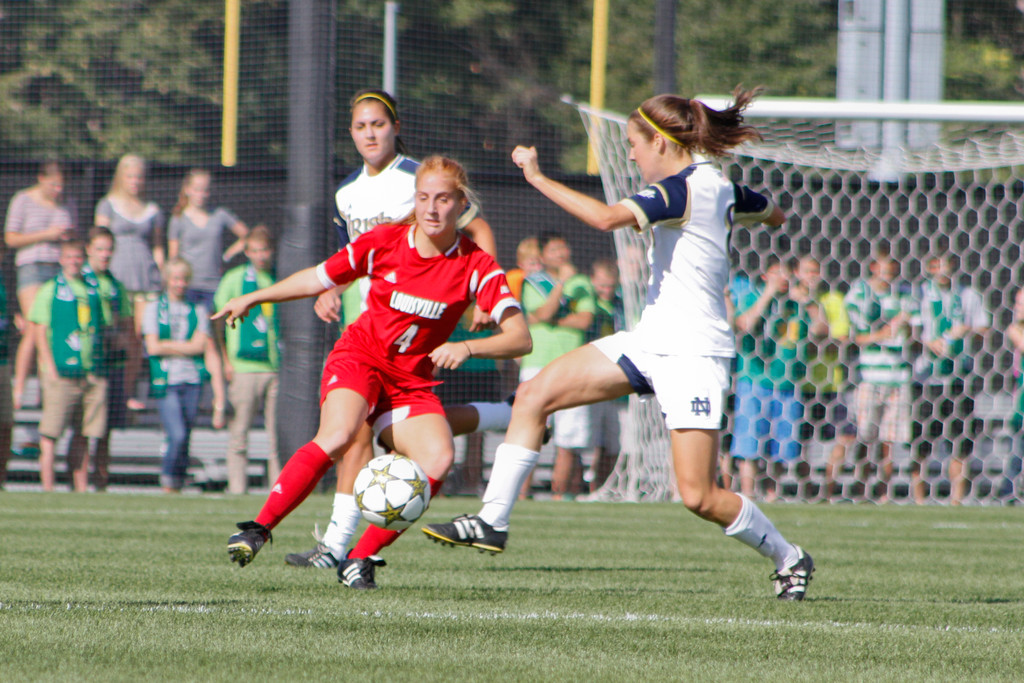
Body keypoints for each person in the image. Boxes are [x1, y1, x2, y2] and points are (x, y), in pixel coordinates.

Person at [423, 88, 815, 601]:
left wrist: (537, 177)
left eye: (634, 144)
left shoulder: (682, 190)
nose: (630, 154)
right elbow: (774, 214)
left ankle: (790, 557)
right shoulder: (717, 187)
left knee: (698, 495)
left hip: (694, 354)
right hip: (649, 340)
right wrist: (746, 218)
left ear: (662, 141)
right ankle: (491, 521)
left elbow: (606, 219)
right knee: (536, 392)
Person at [220, 156, 531, 591]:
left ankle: (360, 558)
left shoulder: (475, 264)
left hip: (410, 381)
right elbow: (317, 278)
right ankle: (258, 528)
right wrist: (256, 298)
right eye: (424, 197)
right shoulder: (384, 241)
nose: (432, 208)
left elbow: (520, 337)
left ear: (461, 204)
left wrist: (466, 346)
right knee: (339, 434)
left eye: (443, 199)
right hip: (360, 358)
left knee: (439, 459)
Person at [285, 88, 504, 569]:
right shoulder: (346, 191)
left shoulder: (416, 179)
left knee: (386, 431)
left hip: (416, 320)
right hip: (368, 324)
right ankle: (339, 547)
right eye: (361, 126)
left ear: (396, 127)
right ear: (351, 133)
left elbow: (478, 231)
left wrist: (482, 292)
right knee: (358, 435)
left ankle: (339, 547)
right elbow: (350, 258)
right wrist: (332, 290)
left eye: (378, 124)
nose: (370, 133)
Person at [29, 240, 109, 492]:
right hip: (61, 372)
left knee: (85, 433)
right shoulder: (50, 289)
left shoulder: (93, 288)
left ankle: (80, 487)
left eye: (78, 257)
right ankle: (48, 487)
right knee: (51, 433)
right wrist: (49, 367)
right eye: (69, 257)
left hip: (90, 371)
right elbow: (39, 332)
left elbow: (104, 324)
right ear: (61, 260)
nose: (74, 261)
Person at [521, 233, 596, 499]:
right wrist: (561, 283)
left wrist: (552, 321)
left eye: (564, 247)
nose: (562, 253)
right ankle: (521, 494)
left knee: (570, 436)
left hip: (573, 364)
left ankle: (558, 496)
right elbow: (542, 313)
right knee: (531, 429)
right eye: (554, 249)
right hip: (538, 363)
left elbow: (584, 320)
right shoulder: (533, 282)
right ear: (542, 256)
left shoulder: (583, 283)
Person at [840, 244, 917, 503]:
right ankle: (860, 487)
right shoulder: (859, 293)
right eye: (886, 266)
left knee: (890, 439)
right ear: (874, 267)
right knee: (865, 436)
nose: (891, 272)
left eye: (894, 267)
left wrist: (908, 328)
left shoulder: (905, 294)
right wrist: (883, 334)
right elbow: (854, 336)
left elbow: (916, 332)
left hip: (899, 376)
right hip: (870, 376)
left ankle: (884, 492)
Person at [911, 252, 989, 505]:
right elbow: (908, 331)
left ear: (952, 266)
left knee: (960, 440)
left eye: (944, 264)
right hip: (926, 379)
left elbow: (983, 329)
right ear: (928, 267)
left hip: (959, 378)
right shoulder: (919, 294)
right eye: (934, 265)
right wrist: (927, 341)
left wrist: (967, 330)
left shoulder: (968, 295)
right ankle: (919, 500)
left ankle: (956, 500)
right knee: (921, 442)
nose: (940, 270)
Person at [728, 258, 807, 502]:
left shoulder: (796, 304)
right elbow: (744, 325)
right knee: (749, 445)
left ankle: (774, 494)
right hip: (754, 380)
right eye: (776, 273)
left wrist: (810, 302)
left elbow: (822, 332)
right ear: (764, 276)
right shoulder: (753, 296)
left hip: (787, 383)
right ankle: (748, 495)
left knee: (782, 448)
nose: (782, 278)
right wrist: (768, 294)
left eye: (786, 273)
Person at [213, 226, 281, 494]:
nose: (261, 256)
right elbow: (217, 321)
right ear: (247, 252)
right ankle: (237, 489)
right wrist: (225, 360)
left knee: (276, 435)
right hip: (242, 368)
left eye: (265, 250)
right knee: (239, 433)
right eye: (255, 250)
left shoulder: (279, 278)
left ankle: (278, 490)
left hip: (274, 366)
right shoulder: (234, 278)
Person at [4, 161, 77, 410]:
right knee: (35, 326)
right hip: (31, 267)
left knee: (53, 329)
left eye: (62, 185)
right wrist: (47, 234)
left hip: (59, 270)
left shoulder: (68, 202)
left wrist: (66, 238)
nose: (58, 190)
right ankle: (19, 388)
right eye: (54, 184)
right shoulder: (22, 200)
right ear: (41, 179)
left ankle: (47, 389)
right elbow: (11, 238)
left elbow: (73, 239)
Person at [94, 154, 165, 412]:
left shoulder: (153, 210)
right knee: (117, 336)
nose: (135, 181)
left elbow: (158, 246)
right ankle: (110, 390)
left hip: (146, 281)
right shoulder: (107, 205)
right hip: (117, 281)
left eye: (139, 177)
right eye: (130, 176)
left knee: (137, 338)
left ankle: (128, 391)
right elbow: (99, 238)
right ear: (121, 177)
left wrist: (162, 272)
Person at [66, 227, 134, 491]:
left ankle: (100, 483)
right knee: (82, 429)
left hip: (111, 364)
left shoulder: (115, 285)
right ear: (89, 251)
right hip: (85, 364)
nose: (105, 255)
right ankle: (78, 483)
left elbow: (126, 325)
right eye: (100, 249)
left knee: (105, 430)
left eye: (109, 249)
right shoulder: (79, 281)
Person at [142, 258, 212, 493]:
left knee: (187, 434)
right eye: (175, 279)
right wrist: (185, 346)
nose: (180, 284)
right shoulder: (153, 308)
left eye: (184, 279)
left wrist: (168, 345)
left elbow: (201, 346)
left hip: (192, 379)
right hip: (166, 380)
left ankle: (179, 481)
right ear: (167, 280)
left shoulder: (198, 308)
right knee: (177, 434)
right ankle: (168, 479)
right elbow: (152, 348)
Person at [790, 255, 856, 502]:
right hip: (800, 382)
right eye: (807, 270)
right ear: (797, 272)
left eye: (816, 271)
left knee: (847, 435)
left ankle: (827, 489)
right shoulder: (788, 300)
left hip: (830, 382)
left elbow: (837, 340)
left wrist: (812, 307)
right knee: (801, 444)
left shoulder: (833, 300)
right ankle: (806, 490)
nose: (812, 276)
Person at [168, 169, 250, 311]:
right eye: (197, 190)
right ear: (188, 190)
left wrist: (227, 254)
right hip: (187, 286)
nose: (201, 195)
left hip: (214, 285)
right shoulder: (178, 218)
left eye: (205, 190)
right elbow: (173, 257)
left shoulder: (220, 214)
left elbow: (248, 236)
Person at [585, 258, 626, 493]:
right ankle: (590, 485)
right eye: (601, 285)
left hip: (618, 378)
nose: (606, 291)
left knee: (614, 440)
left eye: (610, 286)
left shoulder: (622, 304)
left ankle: (606, 485)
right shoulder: (590, 305)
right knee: (593, 439)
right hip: (594, 376)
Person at [999, 288, 1024, 504]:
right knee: (1018, 449)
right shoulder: (1015, 329)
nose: (1018, 308)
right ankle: (1007, 492)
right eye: (1017, 303)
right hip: (1023, 400)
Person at [505, 236, 542, 302]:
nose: (537, 268)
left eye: (540, 264)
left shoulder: (546, 278)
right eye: (532, 264)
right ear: (520, 264)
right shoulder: (513, 278)